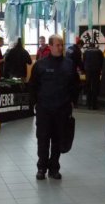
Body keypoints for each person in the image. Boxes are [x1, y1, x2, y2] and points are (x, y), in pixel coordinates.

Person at [28, 34, 79, 180]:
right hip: (44, 109)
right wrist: (35, 103)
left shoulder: (69, 64)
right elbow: (32, 85)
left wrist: (72, 101)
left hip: (62, 109)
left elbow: (75, 85)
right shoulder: (40, 65)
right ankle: (41, 168)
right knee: (43, 139)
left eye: (62, 45)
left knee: (58, 140)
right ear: (50, 46)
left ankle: (54, 168)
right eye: (57, 45)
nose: (60, 47)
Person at [83, 43, 104, 110]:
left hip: (88, 71)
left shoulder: (86, 52)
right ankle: (94, 105)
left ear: (89, 46)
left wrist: (84, 70)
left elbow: (83, 61)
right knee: (95, 87)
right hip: (96, 71)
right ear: (94, 46)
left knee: (88, 87)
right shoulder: (99, 51)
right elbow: (102, 61)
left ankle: (88, 104)